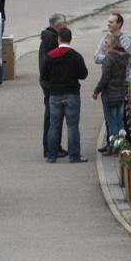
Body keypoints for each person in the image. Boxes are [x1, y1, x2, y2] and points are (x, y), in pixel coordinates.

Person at [41, 28, 89, 163]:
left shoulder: (50, 56)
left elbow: (44, 76)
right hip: (72, 94)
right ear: (70, 39)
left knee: (54, 125)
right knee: (72, 126)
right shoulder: (75, 56)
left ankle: (51, 155)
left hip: (55, 94)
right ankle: (74, 155)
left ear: (59, 39)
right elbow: (83, 75)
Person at [93, 12, 131, 152]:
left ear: (119, 24)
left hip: (122, 83)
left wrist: (108, 57)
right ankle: (113, 144)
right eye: (108, 21)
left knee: (118, 117)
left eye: (111, 22)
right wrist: (110, 57)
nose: (108, 24)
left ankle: (117, 144)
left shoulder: (126, 39)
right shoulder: (105, 38)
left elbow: (124, 58)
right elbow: (96, 57)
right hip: (114, 85)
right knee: (113, 118)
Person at [39, 13, 68, 158]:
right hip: (52, 84)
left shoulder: (49, 37)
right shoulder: (51, 39)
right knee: (53, 116)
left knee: (53, 115)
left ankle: (54, 146)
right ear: (58, 26)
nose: (67, 26)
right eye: (65, 24)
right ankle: (51, 147)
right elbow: (51, 62)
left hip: (48, 82)